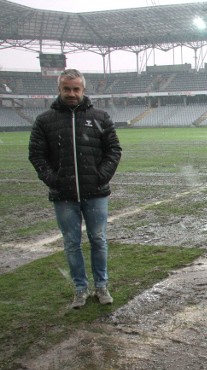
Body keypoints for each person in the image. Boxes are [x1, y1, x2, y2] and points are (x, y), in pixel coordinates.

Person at [29, 69, 122, 309]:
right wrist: (54, 180)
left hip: (96, 193)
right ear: (59, 89)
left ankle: (101, 285)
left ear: (83, 90)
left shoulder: (100, 117)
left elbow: (114, 150)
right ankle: (80, 289)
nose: (71, 93)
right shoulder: (45, 120)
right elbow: (37, 155)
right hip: (63, 196)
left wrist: (100, 177)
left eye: (76, 89)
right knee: (71, 243)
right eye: (67, 89)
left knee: (99, 240)